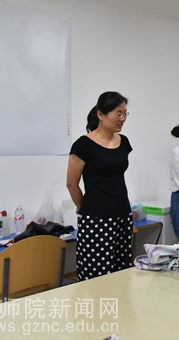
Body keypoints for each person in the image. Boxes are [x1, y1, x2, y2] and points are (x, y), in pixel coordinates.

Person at [66, 91, 133, 281]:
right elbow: (71, 184)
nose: (122, 118)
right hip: (95, 219)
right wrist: (88, 209)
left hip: (123, 214)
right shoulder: (83, 145)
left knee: (122, 272)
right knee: (96, 275)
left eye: (125, 113)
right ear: (100, 114)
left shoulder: (124, 142)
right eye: (118, 113)